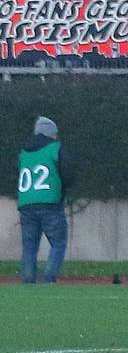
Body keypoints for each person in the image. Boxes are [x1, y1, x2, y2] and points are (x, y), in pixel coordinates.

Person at [17, 115, 66, 285]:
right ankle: (48, 279)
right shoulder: (56, 148)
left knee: (29, 246)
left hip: (26, 203)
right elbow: (67, 174)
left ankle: (28, 279)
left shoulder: (24, 152)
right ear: (51, 134)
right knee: (58, 243)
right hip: (50, 202)